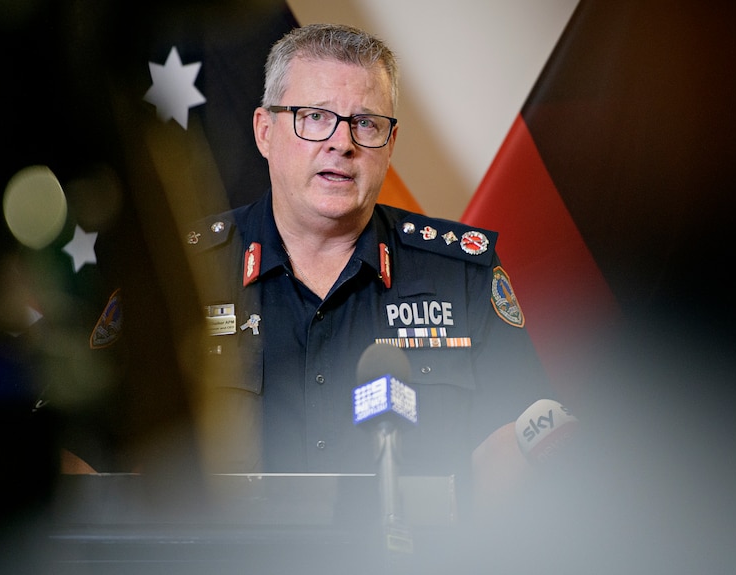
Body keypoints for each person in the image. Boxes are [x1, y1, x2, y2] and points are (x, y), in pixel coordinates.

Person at [186, 23, 553, 518]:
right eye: (314, 117)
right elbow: (89, 457)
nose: (342, 143)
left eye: (366, 123)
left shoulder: (461, 275)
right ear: (264, 131)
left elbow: (527, 446)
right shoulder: (183, 273)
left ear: (390, 142)